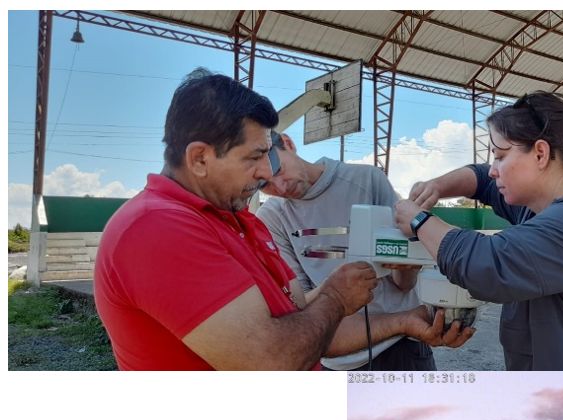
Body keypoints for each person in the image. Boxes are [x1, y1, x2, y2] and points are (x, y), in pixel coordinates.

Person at [93, 68, 393, 370]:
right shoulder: (155, 227)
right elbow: (269, 361)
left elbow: (293, 309)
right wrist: (336, 299)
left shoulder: (240, 220)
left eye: (268, 156)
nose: (265, 173)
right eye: (254, 157)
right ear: (199, 158)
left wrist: (337, 287)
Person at [394, 91, 563, 371]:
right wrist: (438, 186)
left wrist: (419, 221)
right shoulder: (539, 210)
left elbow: (489, 264)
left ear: (541, 153)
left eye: (501, 156)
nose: (494, 170)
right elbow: (482, 180)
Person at [256, 133, 473, 371]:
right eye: (264, 185)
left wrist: (407, 266)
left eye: (278, 171)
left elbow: (403, 282)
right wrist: (335, 290)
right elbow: (298, 305)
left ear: (288, 143)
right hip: (332, 356)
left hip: (400, 349)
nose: (281, 186)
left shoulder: (366, 179)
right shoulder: (272, 217)